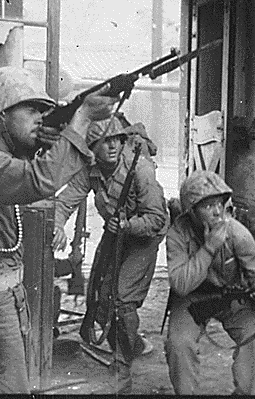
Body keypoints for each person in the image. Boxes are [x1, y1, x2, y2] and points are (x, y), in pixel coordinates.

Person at [0, 66, 118, 394]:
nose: (40, 118)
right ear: (0, 116)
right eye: (31, 110)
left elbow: (34, 172)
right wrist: (82, 118)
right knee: (8, 389)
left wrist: (48, 142)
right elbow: (42, 180)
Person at [52, 115, 169, 394]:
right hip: (116, 234)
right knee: (100, 295)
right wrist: (56, 225)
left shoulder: (140, 169)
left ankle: (123, 367)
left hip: (143, 238)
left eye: (117, 139)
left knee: (122, 299)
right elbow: (66, 201)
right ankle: (132, 343)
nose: (112, 146)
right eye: (104, 141)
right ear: (93, 146)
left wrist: (128, 225)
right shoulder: (91, 170)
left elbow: (156, 218)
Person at [164, 170, 255, 395]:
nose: (216, 212)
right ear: (192, 211)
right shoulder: (177, 234)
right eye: (207, 206)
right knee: (179, 344)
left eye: (219, 204)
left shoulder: (236, 232)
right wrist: (210, 247)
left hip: (231, 296)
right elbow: (180, 284)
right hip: (191, 298)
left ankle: (245, 392)